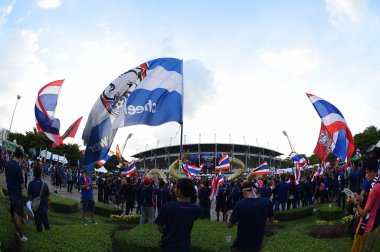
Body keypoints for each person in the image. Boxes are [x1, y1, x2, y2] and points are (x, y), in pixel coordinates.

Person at [227, 181, 274, 252]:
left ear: (245, 192)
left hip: (240, 247)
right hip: (256, 247)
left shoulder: (240, 204)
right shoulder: (267, 202)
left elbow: (229, 225)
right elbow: (271, 220)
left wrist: (229, 214)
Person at [155, 178, 200, 252]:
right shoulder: (196, 209)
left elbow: (159, 226)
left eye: (175, 188)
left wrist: (169, 232)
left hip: (168, 246)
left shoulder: (167, 207)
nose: (174, 189)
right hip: (185, 247)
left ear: (179, 191)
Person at [350, 157, 380, 252]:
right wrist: (359, 198)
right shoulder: (377, 184)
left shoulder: (375, 189)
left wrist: (355, 203)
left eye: (367, 172)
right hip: (369, 224)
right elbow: (370, 203)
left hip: (364, 225)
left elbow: (363, 214)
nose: (366, 176)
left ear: (372, 171)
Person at [5, 147, 28, 242]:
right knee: (18, 217)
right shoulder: (18, 168)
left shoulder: (8, 164)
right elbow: (22, 186)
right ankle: (21, 236)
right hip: (17, 196)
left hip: (11, 194)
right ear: (21, 157)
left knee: (14, 215)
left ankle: (17, 232)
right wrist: (21, 174)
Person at [27, 165, 50, 232]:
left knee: (38, 228)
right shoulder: (45, 185)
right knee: (47, 227)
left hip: (35, 209)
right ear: (41, 173)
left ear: (34, 173)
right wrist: (48, 207)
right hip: (43, 209)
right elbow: (48, 199)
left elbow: (29, 198)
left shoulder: (31, 184)